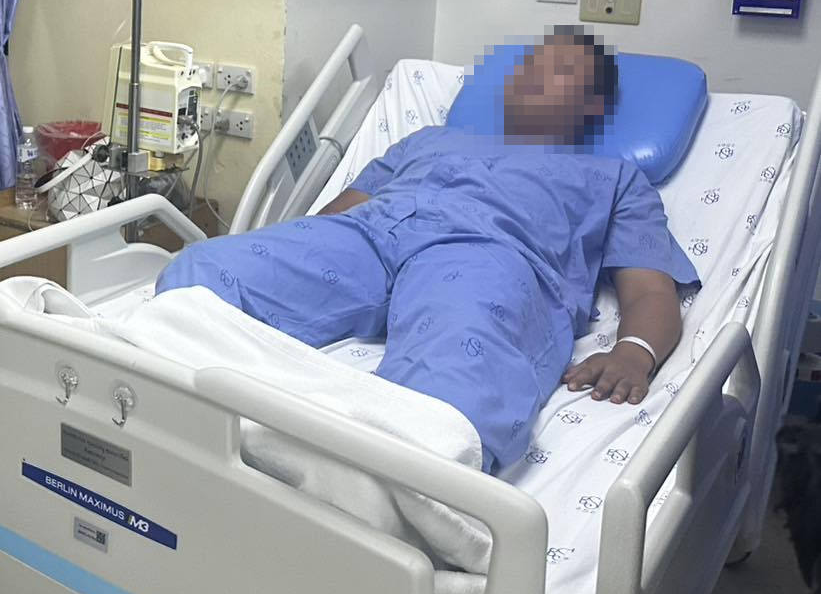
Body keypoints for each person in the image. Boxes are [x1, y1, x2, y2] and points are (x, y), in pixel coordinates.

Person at [157, 27, 697, 473]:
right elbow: (332, 220)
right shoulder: (427, 140)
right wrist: (290, 253)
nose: (530, 74)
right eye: (528, 65)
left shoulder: (613, 177)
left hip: (486, 254)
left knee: (454, 379)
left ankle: (378, 495)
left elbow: (649, 289)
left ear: (594, 103)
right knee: (203, 272)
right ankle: (177, 407)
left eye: (556, 69)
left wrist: (635, 352)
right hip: (371, 234)